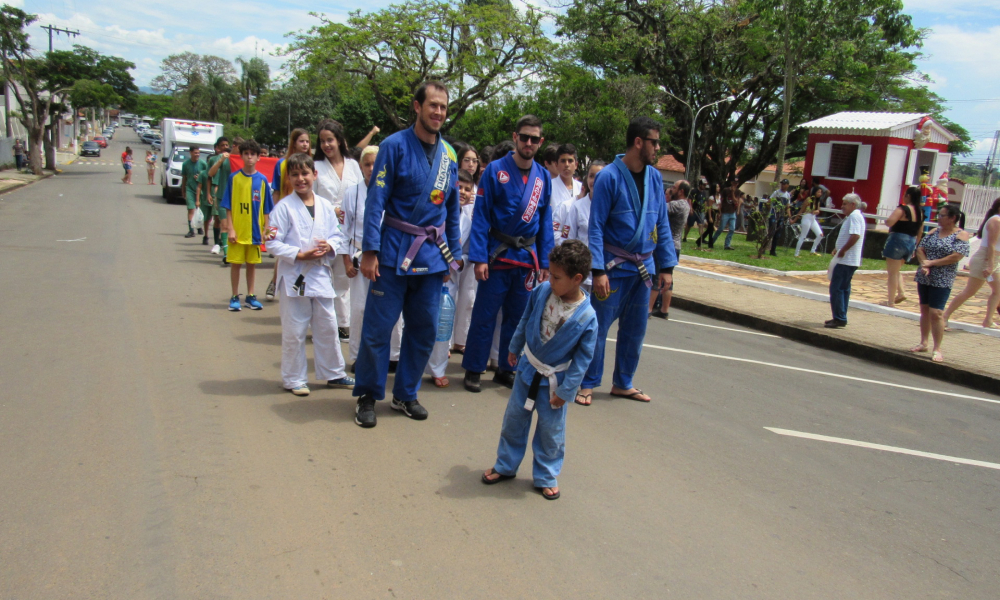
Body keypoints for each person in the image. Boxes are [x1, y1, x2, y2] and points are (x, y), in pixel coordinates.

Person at [352, 81, 463, 428]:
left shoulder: (449, 156)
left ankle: (405, 393)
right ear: (417, 106)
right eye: (432, 105)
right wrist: (370, 250)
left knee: (424, 330)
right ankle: (368, 395)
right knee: (378, 329)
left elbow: (453, 211)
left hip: (431, 257)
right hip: (393, 252)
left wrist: (452, 256)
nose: (438, 112)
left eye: (443, 107)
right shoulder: (393, 146)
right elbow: (376, 202)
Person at [480, 240, 598, 501]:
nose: (551, 280)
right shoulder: (543, 291)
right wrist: (514, 346)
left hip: (555, 382)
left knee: (550, 431)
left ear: (577, 279)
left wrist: (567, 391)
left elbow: (582, 359)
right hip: (528, 368)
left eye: (557, 277)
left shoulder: (586, 317)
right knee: (514, 420)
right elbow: (526, 318)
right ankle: (505, 465)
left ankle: (546, 475)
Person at [579, 116, 676, 405]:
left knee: (636, 329)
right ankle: (587, 382)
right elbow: (596, 226)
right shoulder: (609, 176)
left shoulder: (655, 177)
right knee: (597, 326)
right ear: (638, 142)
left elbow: (662, 223)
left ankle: (623, 382)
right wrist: (597, 270)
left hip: (643, 268)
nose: (658, 148)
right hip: (613, 266)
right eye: (654, 142)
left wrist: (667, 266)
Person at [462, 114, 554, 393]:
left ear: (540, 142)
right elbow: (481, 217)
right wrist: (478, 257)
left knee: (518, 319)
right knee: (485, 315)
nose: (528, 142)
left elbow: (545, 221)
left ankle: (506, 367)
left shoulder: (543, 177)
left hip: (526, 259)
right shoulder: (494, 171)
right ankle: (475, 368)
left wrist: (546, 260)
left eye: (534, 139)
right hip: (497, 257)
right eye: (523, 137)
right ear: (515, 137)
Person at [266, 153, 356, 395]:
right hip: (295, 277)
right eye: (294, 174)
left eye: (305, 173)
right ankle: (294, 379)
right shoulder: (283, 208)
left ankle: (334, 373)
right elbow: (272, 243)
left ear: (314, 175)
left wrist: (331, 246)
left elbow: (339, 234)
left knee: (327, 326)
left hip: (319, 275)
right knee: (295, 331)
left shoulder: (326, 206)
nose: (300, 179)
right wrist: (298, 254)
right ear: (288, 178)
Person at [340, 145, 403, 369]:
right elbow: (343, 230)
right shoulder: (351, 192)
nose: (371, 168)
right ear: (360, 166)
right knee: (358, 309)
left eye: (376, 163)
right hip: (359, 257)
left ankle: (394, 354)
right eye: (367, 164)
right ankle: (358, 356)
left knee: (392, 308)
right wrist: (347, 260)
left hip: (387, 258)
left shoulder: (394, 190)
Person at [426, 169, 478, 387]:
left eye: (468, 189)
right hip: (428, 271)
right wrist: (445, 262)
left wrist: (458, 262)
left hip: (450, 278)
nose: (464, 193)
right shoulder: (436, 211)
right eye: (460, 188)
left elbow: (465, 251)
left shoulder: (469, 218)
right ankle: (415, 361)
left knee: (443, 322)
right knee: (422, 321)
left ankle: (437, 368)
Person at [314, 119, 364, 339]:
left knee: (348, 275)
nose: (326, 145)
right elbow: (311, 198)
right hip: (325, 226)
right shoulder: (315, 167)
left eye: (330, 140)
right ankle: (328, 323)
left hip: (353, 228)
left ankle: (347, 323)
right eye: (322, 141)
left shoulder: (353, 164)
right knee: (327, 276)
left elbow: (363, 192)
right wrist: (332, 209)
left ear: (339, 141)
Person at [909, 204, 970, 361]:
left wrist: (933, 263)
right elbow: (921, 248)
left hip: (943, 278)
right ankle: (924, 342)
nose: (939, 218)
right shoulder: (934, 232)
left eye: (942, 215)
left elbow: (956, 256)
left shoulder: (961, 235)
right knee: (924, 309)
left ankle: (937, 348)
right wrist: (925, 263)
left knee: (936, 313)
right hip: (925, 276)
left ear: (952, 218)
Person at [220, 140, 273, 311]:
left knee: (252, 264)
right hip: (238, 230)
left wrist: (267, 228)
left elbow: (266, 208)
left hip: (255, 232)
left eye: (253, 154)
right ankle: (235, 296)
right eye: (246, 153)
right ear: (241, 156)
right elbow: (228, 205)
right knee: (236, 263)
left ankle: (250, 296)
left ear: (258, 157)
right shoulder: (234, 178)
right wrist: (231, 228)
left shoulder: (263, 180)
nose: (249, 157)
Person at [266, 128, 313, 301]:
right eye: (301, 141)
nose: (305, 144)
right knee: (286, 252)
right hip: (287, 213)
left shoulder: (312, 163)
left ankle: (304, 288)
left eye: (307, 141)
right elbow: (277, 191)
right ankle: (275, 282)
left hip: (306, 212)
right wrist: (274, 214)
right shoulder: (282, 164)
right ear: (293, 143)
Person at [943, 198, 1000, 329]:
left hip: (993, 260)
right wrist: (990, 265)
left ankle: (988, 320)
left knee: (997, 291)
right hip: (986, 259)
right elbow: (991, 246)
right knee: (970, 291)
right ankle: (945, 316)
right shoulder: (996, 221)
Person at [451, 143, 482, 356]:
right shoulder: (443, 206)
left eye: (474, 160)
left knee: (467, 299)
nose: (471, 164)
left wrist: (459, 260)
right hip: (443, 263)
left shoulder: (479, 191)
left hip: (464, 260)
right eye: (467, 159)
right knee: (445, 302)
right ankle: (443, 343)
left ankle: (460, 339)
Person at [825, 193, 866, 328]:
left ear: (852, 204)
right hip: (848, 259)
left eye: (844, 204)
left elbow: (855, 236)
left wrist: (843, 250)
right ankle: (840, 316)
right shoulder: (854, 216)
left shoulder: (854, 216)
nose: (842, 207)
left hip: (846, 260)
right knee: (843, 288)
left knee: (837, 288)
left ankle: (839, 317)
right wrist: (839, 248)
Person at [651, 180, 690, 320]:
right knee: (668, 279)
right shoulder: (685, 205)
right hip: (676, 245)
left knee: (657, 277)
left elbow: (658, 209)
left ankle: (649, 309)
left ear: (681, 191)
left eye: (674, 187)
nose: (671, 189)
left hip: (668, 245)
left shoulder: (677, 205)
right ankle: (664, 309)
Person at [881, 187, 923, 306]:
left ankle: (890, 301)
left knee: (892, 273)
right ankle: (901, 292)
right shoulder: (920, 212)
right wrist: (916, 245)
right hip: (911, 241)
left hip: (897, 240)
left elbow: (890, 221)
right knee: (896, 269)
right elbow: (920, 231)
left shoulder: (902, 209)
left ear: (908, 196)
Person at [550, 143, 582, 245]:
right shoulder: (549, 187)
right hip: (556, 241)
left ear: (576, 165)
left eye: (570, 161)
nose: (567, 165)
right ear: (556, 164)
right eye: (563, 161)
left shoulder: (581, 188)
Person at [207, 137, 232, 256]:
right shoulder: (216, 159)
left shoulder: (237, 159)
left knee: (231, 226)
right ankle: (221, 248)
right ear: (217, 147)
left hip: (236, 199)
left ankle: (226, 245)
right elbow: (209, 175)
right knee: (222, 223)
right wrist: (208, 193)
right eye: (223, 145)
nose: (225, 147)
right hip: (221, 195)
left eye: (227, 144)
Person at [180, 147, 206, 239]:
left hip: (201, 190)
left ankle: (199, 226)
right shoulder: (186, 164)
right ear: (190, 153)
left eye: (198, 153)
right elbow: (184, 178)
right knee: (191, 209)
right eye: (195, 153)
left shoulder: (203, 164)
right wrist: (183, 190)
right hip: (190, 189)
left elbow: (208, 175)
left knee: (200, 210)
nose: (197, 154)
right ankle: (191, 230)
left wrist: (200, 177)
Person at [793, 185, 825, 257]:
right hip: (806, 217)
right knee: (803, 236)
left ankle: (813, 250)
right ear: (815, 192)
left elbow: (818, 210)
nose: (820, 193)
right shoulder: (809, 199)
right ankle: (796, 253)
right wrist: (795, 219)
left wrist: (817, 211)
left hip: (813, 218)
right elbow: (802, 210)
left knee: (820, 235)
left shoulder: (817, 201)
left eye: (821, 192)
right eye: (819, 192)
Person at [710, 178, 740, 250]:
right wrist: (720, 211)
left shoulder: (738, 191)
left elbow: (736, 201)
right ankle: (712, 241)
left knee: (732, 229)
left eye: (736, 183)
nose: (734, 184)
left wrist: (732, 193)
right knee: (721, 229)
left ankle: (727, 245)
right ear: (731, 182)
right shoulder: (725, 190)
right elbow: (721, 200)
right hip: (725, 212)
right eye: (734, 183)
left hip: (732, 212)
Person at [768, 179, 792, 256]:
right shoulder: (776, 193)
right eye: (782, 184)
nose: (783, 185)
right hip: (774, 214)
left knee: (777, 234)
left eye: (784, 184)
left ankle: (773, 250)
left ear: (787, 185)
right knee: (771, 232)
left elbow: (787, 206)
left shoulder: (787, 195)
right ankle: (765, 247)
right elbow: (769, 201)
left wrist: (789, 216)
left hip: (781, 216)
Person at [683, 176, 707, 242]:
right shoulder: (694, 191)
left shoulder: (704, 193)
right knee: (689, 225)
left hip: (701, 211)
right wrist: (690, 208)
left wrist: (705, 210)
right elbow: (690, 199)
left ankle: (702, 239)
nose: (704, 187)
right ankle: (685, 237)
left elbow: (705, 202)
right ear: (700, 184)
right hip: (694, 210)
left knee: (701, 224)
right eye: (703, 185)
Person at [697, 182, 720, 250]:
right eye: (717, 187)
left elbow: (719, 206)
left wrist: (719, 213)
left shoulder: (719, 196)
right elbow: (709, 207)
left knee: (709, 229)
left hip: (716, 212)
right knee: (710, 229)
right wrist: (710, 217)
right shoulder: (711, 197)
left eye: (718, 187)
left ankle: (699, 240)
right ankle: (710, 243)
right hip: (711, 212)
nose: (718, 188)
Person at [195, 164, 213, 246]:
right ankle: (206, 235)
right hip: (206, 200)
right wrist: (197, 200)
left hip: (216, 199)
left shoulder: (219, 173)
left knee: (219, 219)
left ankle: (219, 238)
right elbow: (199, 187)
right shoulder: (203, 174)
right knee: (206, 219)